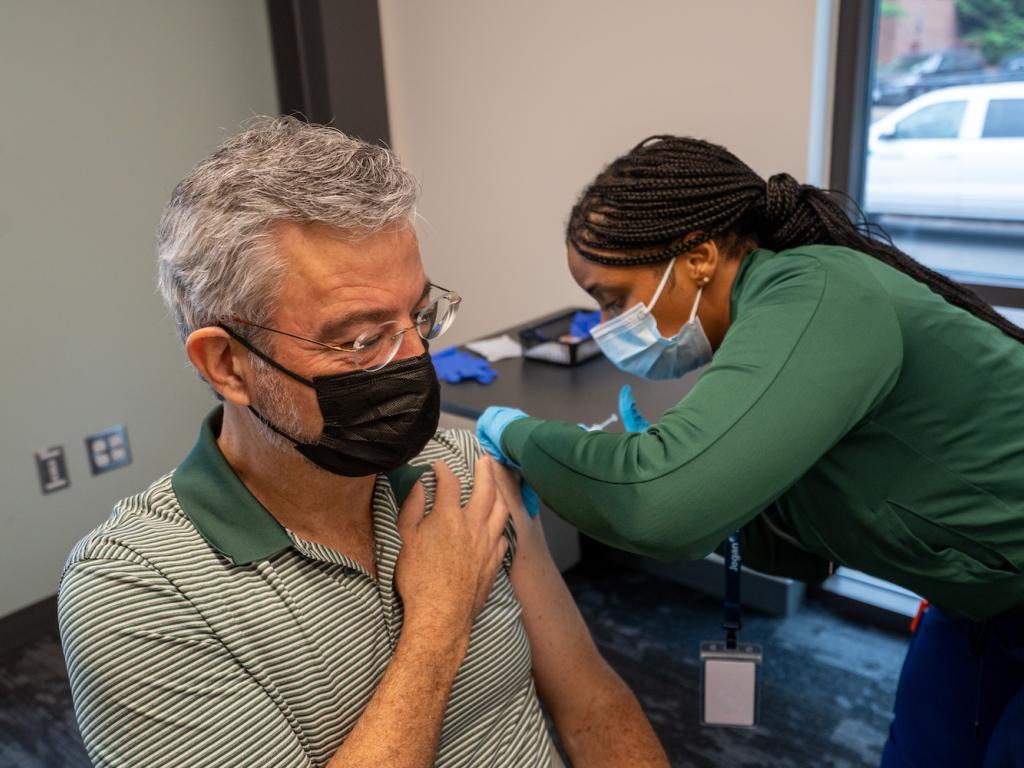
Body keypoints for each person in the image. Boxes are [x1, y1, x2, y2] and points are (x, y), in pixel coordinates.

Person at [57, 117, 668, 768]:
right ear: (227, 365)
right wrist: (439, 619)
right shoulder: (136, 595)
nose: (416, 360)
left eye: (419, 316)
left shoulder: (464, 477)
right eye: (359, 340)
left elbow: (593, 707)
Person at [477, 136, 1024, 767]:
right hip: (976, 603)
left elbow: (657, 504)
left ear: (700, 258)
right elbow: (801, 548)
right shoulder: (770, 317)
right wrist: (707, 493)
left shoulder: (818, 294)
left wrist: (522, 435)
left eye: (613, 299)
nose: (605, 328)